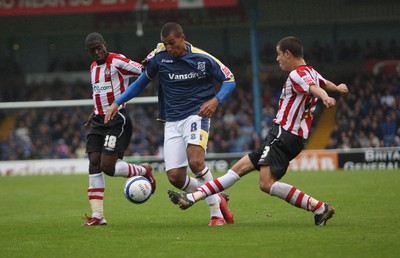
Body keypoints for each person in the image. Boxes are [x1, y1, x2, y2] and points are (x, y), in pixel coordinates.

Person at [168, 36, 349, 226]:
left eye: (279, 55)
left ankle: (319, 207)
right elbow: (321, 82)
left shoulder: (297, 75)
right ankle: (193, 197)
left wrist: (326, 97)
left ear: (288, 54)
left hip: (283, 134)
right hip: (290, 138)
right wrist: (337, 88)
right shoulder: (310, 71)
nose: (277, 59)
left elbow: (314, 88)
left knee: (266, 184)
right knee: (237, 170)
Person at [105, 22, 235, 226]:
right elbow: (140, 84)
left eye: (172, 43)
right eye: (165, 44)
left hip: (196, 115)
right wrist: (117, 102)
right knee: (175, 177)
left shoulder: (203, 58)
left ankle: (216, 214)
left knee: (196, 162)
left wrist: (216, 100)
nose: (169, 48)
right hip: (172, 121)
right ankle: (216, 195)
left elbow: (229, 80)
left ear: (183, 38)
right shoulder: (160, 58)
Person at [82, 32, 156, 226]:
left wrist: (148, 62)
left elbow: (143, 71)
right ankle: (98, 216)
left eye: (99, 48)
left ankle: (143, 171)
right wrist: (95, 111)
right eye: (93, 50)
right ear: (88, 52)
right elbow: (100, 92)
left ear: (105, 45)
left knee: (108, 167)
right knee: (93, 163)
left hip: (116, 119)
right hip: (98, 120)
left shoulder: (117, 61)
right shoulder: (92, 67)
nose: (97, 52)